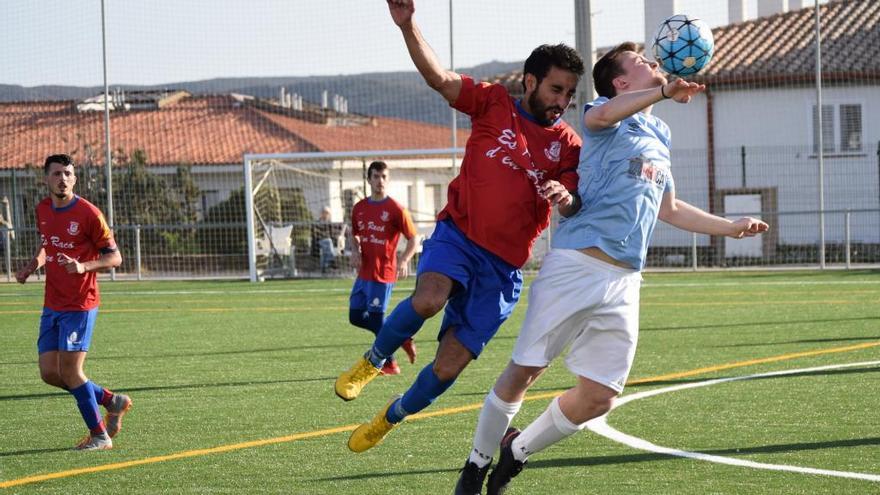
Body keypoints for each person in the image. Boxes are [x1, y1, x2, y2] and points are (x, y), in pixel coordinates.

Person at [455, 43, 770, 494]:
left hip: (625, 280)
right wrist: (662, 92)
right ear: (620, 82)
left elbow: (671, 208)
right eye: (643, 63)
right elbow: (603, 118)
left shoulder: (658, 133)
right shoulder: (601, 113)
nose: (654, 65)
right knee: (525, 372)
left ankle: (517, 450)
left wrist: (730, 227)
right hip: (577, 265)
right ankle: (475, 465)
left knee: (601, 396)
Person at [335, 0, 585, 455]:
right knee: (429, 298)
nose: (561, 102)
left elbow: (571, 205)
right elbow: (439, 78)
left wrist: (566, 198)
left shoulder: (568, 144)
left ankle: (390, 417)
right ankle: (373, 359)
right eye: (555, 89)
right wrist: (409, 25)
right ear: (530, 81)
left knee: (449, 366)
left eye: (568, 94)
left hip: (504, 270)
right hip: (459, 237)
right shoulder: (491, 103)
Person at [15, 154, 132, 451]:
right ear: (46, 179)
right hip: (52, 301)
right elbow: (48, 243)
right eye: (56, 174)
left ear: (74, 178)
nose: (62, 178)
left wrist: (83, 266)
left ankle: (100, 436)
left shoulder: (89, 213)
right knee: (49, 373)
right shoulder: (42, 208)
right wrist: (33, 265)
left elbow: (115, 257)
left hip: (80, 304)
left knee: (70, 371)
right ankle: (110, 400)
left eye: (67, 173)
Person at [348, 160, 419, 376]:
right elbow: (354, 234)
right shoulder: (359, 208)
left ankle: (390, 363)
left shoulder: (396, 209)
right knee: (355, 316)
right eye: (376, 176)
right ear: (369, 179)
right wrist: (354, 250)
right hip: (364, 272)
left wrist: (405, 260)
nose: (380, 181)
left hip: (383, 273)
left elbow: (414, 239)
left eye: (384, 177)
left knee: (377, 318)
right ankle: (401, 338)